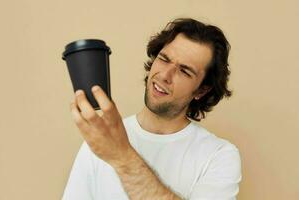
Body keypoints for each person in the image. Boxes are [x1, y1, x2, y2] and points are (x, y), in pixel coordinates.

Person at [62, 18, 242, 200]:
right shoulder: (101, 138)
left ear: (202, 90)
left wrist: (121, 155)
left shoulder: (219, 155)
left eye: (185, 71)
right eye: (164, 59)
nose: (165, 75)